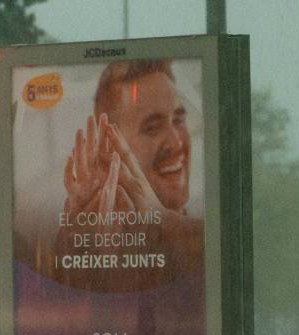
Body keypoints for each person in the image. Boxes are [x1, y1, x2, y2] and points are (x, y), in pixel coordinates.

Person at [55, 58, 203, 280]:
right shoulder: (84, 247)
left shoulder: (209, 237)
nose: (176, 143)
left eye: (178, 121)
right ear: (109, 146)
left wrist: (164, 222)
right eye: (152, 128)